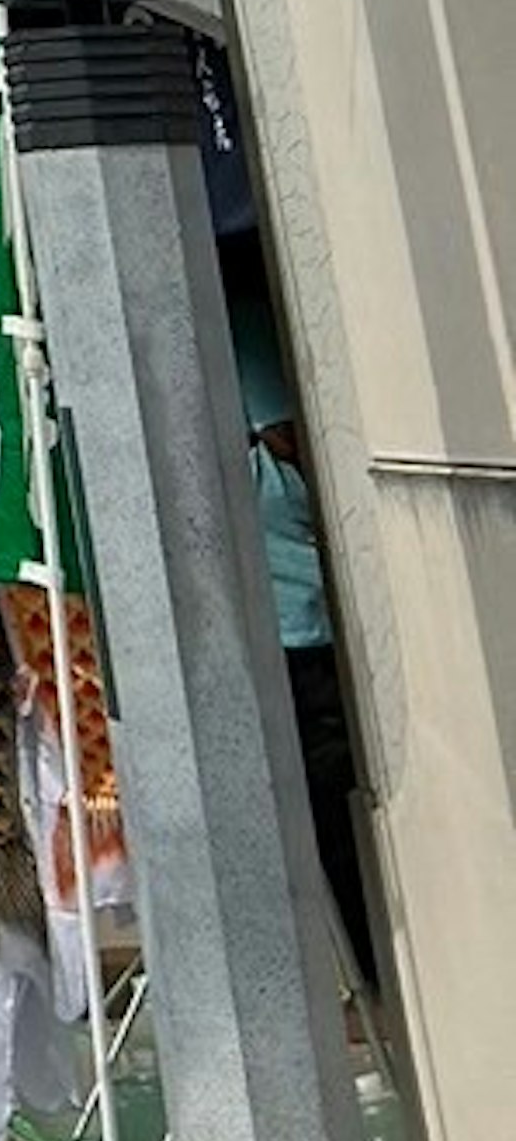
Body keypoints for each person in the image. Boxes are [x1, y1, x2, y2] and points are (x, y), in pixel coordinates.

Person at [236, 317, 379, 987]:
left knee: (331, 821)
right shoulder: (275, 473)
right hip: (310, 651)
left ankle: (367, 969)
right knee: (336, 819)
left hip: (305, 648)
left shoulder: (264, 476)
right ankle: (371, 969)